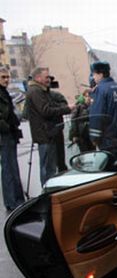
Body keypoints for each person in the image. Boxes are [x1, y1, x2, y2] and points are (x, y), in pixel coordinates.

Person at [24, 67, 74, 186]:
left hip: (49, 133)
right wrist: (67, 109)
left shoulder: (42, 91)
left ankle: (51, 190)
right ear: (38, 78)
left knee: (51, 166)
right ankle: (47, 193)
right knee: (48, 168)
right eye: (46, 77)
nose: (49, 80)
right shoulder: (35, 91)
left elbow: (50, 106)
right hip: (45, 135)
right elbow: (45, 110)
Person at [88, 61, 117, 164]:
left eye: (94, 74)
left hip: (108, 138)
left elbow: (97, 115)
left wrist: (94, 137)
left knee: (110, 170)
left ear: (100, 74)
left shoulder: (101, 90)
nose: (93, 77)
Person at [0, 68, 25, 212]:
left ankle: (17, 199)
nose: (6, 80)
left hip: (10, 134)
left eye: (8, 77)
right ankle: (12, 201)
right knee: (9, 169)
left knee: (13, 168)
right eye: (3, 77)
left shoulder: (5, 93)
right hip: (5, 135)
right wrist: (7, 127)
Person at [49, 86, 70, 172]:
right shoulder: (36, 95)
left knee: (60, 158)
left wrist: (52, 107)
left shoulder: (55, 95)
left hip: (57, 129)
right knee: (50, 162)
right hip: (45, 133)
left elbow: (65, 107)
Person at [69, 89, 94, 153]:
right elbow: (74, 121)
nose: (89, 98)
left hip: (90, 134)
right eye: (87, 96)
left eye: (90, 97)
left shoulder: (92, 106)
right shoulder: (79, 106)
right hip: (81, 134)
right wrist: (75, 135)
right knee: (84, 152)